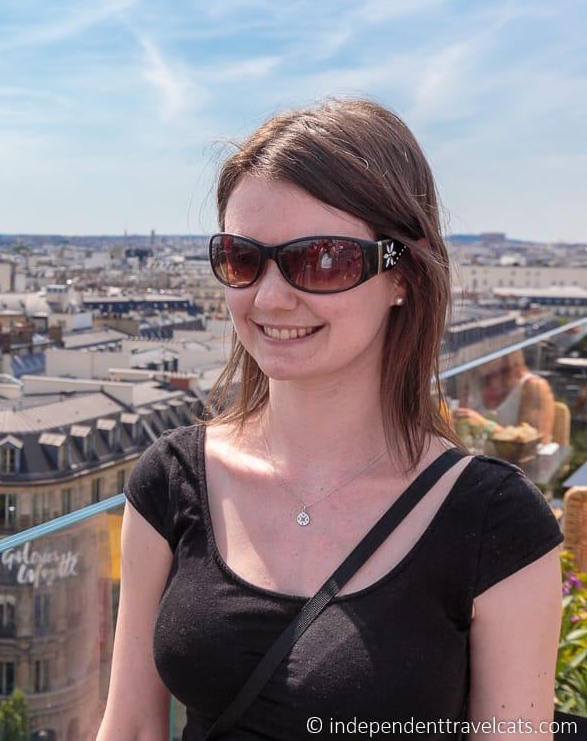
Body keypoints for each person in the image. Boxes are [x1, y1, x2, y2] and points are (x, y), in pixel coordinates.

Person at [97, 99, 564, 740]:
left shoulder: (497, 524)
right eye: (241, 257)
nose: (268, 296)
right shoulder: (173, 479)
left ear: (403, 275)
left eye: (322, 260)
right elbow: (129, 726)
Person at [454, 349, 557, 444]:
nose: (480, 355)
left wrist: (486, 426)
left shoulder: (534, 386)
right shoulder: (472, 379)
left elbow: (536, 444)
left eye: (487, 350)